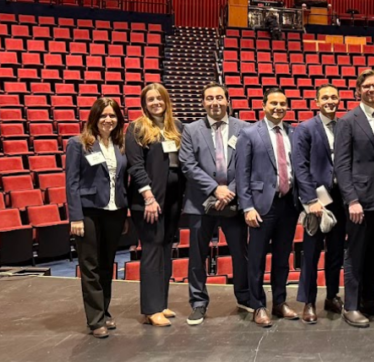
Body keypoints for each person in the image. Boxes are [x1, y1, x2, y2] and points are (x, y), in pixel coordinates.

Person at [179, 83, 253, 326]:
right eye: (209, 98)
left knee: (240, 254)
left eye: (219, 97)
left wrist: (229, 190)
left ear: (227, 100)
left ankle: (243, 296)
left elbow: (247, 163)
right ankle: (198, 303)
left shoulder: (243, 128)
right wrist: (215, 188)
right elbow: (188, 165)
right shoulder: (191, 130)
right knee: (197, 256)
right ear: (203, 102)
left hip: (233, 202)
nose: (215, 102)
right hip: (201, 203)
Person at [335, 68, 374, 327]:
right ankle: (351, 305)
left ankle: (368, 301)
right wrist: (351, 200)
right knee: (356, 254)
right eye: (367, 86)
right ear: (358, 91)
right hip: (359, 201)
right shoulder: (348, 121)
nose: (372, 90)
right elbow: (341, 165)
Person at [236, 86, 300, 327]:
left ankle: (280, 302)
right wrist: (247, 207)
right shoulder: (250, 133)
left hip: (289, 205)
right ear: (264, 105)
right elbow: (242, 174)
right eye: (273, 103)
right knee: (257, 259)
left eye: (282, 103)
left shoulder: (293, 133)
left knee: (282, 258)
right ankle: (258, 305)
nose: (278, 107)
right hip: (262, 206)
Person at [67, 98, 129, 338]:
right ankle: (95, 320)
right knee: (90, 266)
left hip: (115, 212)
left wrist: (124, 212)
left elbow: (122, 181)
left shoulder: (119, 144)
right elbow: (72, 183)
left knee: (106, 264)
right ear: (94, 118)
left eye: (112, 115)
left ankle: (104, 309)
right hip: (89, 212)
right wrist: (76, 217)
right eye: (103, 115)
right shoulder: (78, 144)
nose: (108, 119)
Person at [126, 83, 186, 327]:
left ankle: (160, 302)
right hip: (149, 200)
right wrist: (148, 198)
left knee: (165, 248)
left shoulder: (177, 126)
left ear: (166, 100)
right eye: (150, 99)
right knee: (151, 249)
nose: (155, 103)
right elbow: (136, 166)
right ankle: (151, 309)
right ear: (144, 103)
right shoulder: (137, 128)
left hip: (173, 198)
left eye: (159, 98)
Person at [292, 84, 346, 323]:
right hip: (317, 199)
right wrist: (311, 200)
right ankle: (309, 301)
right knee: (312, 253)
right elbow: (300, 167)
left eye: (334, 97)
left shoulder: (344, 126)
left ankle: (332, 295)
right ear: (316, 101)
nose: (330, 101)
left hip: (340, 197)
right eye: (325, 97)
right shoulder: (305, 128)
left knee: (336, 252)